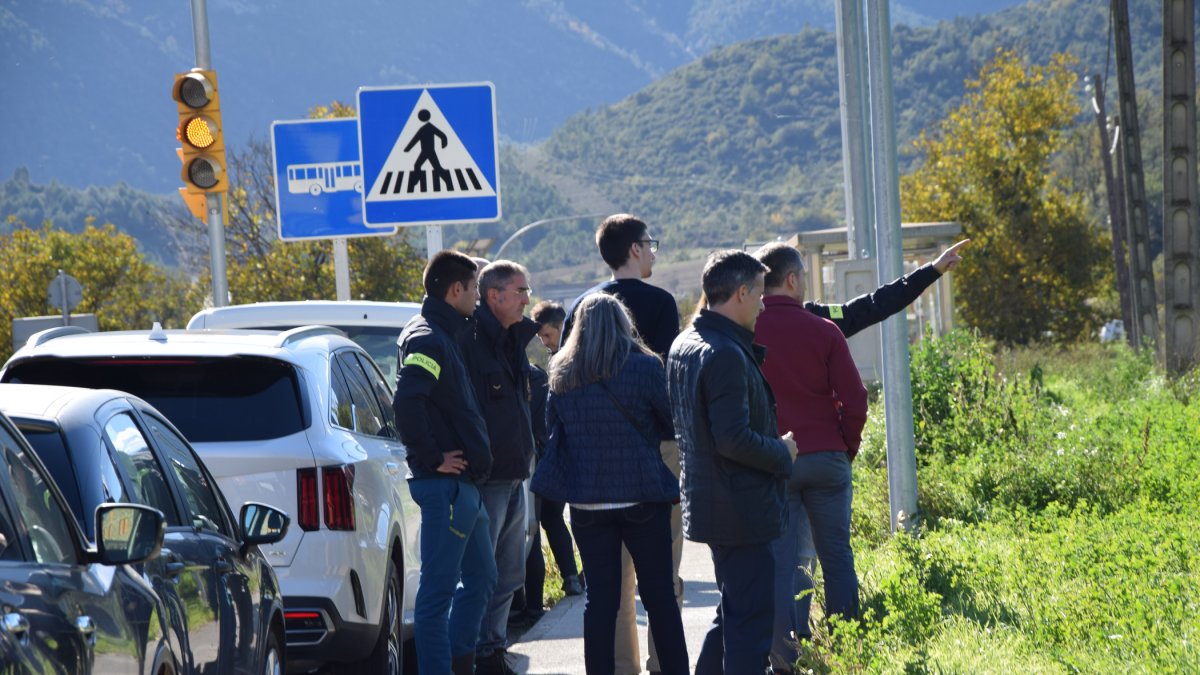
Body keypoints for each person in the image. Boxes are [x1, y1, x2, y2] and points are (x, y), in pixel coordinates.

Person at [531, 293, 689, 675]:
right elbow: (670, 424)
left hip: (587, 504)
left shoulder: (561, 374)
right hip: (642, 499)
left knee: (600, 602)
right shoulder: (645, 366)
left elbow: (554, 434)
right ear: (624, 324)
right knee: (659, 598)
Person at [668, 249, 798, 674]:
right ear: (741, 292)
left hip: (714, 502)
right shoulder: (723, 352)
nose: (763, 304)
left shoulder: (686, 342)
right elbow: (732, 439)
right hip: (740, 508)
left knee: (733, 615)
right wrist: (783, 451)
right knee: (749, 626)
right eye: (759, 294)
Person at [563, 213, 682, 674]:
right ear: (634, 249)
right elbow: (669, 382)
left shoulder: (582, 305)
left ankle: (621, 667)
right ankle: (664, 665)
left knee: (608, 591)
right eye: (650, 243)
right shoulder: (659, 302)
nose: (653, 251)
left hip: (592, 465)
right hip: (653, 451)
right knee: (661, 577)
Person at [753, 243, 869, 672]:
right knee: (836, 554)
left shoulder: (748, 331)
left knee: (784, 561)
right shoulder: (823, 330)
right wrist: (846, 447)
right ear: (792, 279)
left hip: (774, 460)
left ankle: (786, 657)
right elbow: (855, 399)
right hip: (826, 456)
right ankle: (850, 648)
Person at [392, 250, 497, 675]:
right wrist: (432, 458)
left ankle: (460, 663)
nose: (477, 297)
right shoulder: (428, 338)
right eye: (474, 289)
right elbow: (407, 402)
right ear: (456, 290)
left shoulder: (445, 332)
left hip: (464, 487)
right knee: (436, 600)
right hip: (446, 489)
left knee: (482, 579)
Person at [460, 260, 540, 675]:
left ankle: (492, 650)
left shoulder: (513, 340)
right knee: (481, 575)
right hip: (486, 479)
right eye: (521, 291)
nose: (528, 299)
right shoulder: (470, 343)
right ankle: (472, 654)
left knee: (509, 573)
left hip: (515, 475)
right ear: (494, 296)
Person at [514, 300, 584, 631]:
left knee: (529, 532)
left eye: (546, 335)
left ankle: (532, 604)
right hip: (551, 458)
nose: (544, 342)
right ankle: (571, 578)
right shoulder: (540, 375)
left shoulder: (527, 375)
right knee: (553, 520)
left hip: (530, 463)